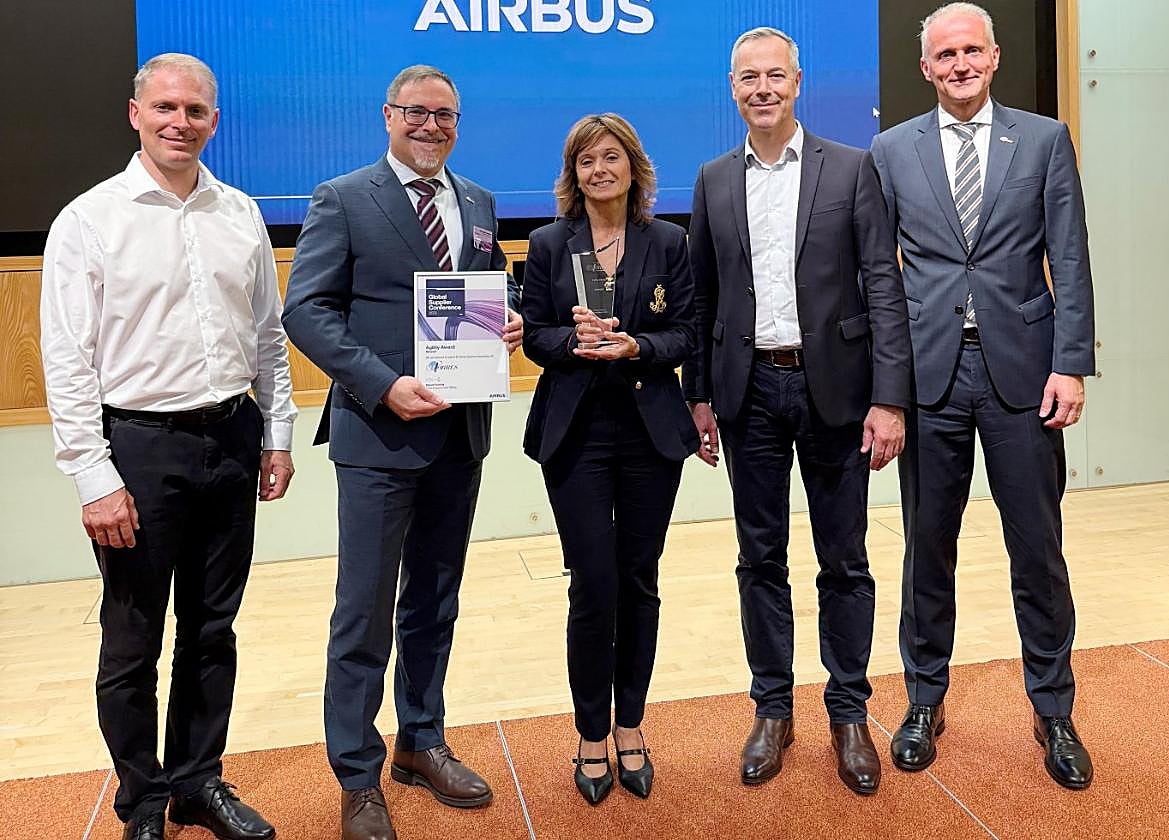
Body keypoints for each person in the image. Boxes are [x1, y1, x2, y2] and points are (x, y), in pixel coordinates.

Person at [39, 53, 296, 840]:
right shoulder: (89, 219)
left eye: (195, 111)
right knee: (132, 641)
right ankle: (142, 802)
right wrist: (93, 477)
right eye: (165, 108)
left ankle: (198, 782)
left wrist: (276, 434)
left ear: (214, 121)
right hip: (138, 449)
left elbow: (267, 335)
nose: (179, 122)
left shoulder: (241, 212)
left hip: (232, 436)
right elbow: (66, 361)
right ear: (135, 113)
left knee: (213, 630)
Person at [281, 65, 523, 840]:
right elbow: (306, 311)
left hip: (459, 437)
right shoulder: (342, 198)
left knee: (434, 602)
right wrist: (382, 385)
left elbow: (488, 291)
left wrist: (507, 322)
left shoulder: (479, 202)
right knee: (362, 612)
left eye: (445, 115)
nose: (431, 127)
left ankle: (421, 741)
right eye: (416, 113)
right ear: (388, 116)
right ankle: (357, 775)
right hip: (379, 436)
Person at [869, 2, 1095, 790]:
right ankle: (925, 701)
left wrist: (1071, 364)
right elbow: (880, 283)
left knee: (1037, 551)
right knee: (926, 550)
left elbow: (1069, 256)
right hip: (930, 381)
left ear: (994, 57)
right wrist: (887, 391)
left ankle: (1054, 708)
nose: (960, 64)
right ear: (925, 68)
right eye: (945, 55)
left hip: (1025, 378)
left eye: (972, 51)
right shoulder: (892, 150)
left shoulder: (1043, 140)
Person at [681, 27, 912, 796]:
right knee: (760, 559)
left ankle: (848, 711)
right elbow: (702, 296)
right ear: (733, 87)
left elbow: (884, 283)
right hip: (748, 397)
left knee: (844, 561)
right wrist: (700, 394)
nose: (763, 89)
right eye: (748, 78)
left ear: (799, 81)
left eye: (775, 75)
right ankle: (773, 710)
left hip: (839, 393)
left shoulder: (852, 168)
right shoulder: (713, 179)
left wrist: (889, 398)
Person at [521, 114, 697, 804]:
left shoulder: (669, 242)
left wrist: (636, 348)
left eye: (611, 157)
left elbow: (686, 331)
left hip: (651, 434)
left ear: (633, 167)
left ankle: (631, 726)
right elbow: (533, 333)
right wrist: (572, 342)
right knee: (593, 583)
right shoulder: (544, 243)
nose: (600, 170)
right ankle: (590, 733)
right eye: (587, 160)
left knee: (639, 581)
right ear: (574, 173)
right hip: (577, 434)